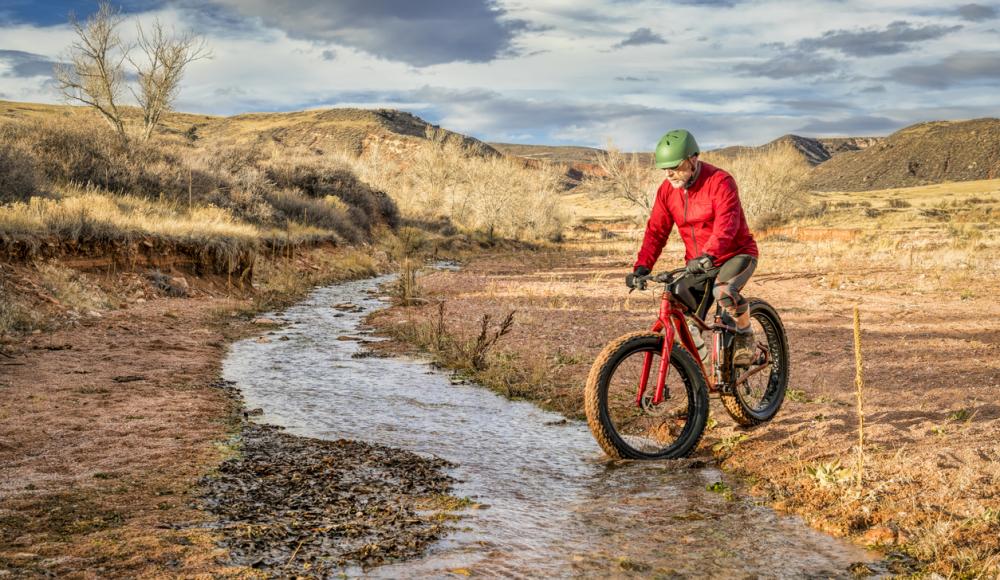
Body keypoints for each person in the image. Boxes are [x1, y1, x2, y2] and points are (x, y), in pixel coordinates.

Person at [625, 129, 759, 365]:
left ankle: (745, 333)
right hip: (698, 263)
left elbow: (726, 225)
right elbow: (656, 231)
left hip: (735, 253)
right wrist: (642, 267)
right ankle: (702, 368)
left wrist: (709, 254)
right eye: (665, 168)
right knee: (677, 302)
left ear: (693, 159)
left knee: (724, 293)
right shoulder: (666, 192)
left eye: (675, 166)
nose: (669, 173)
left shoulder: (720, 182)